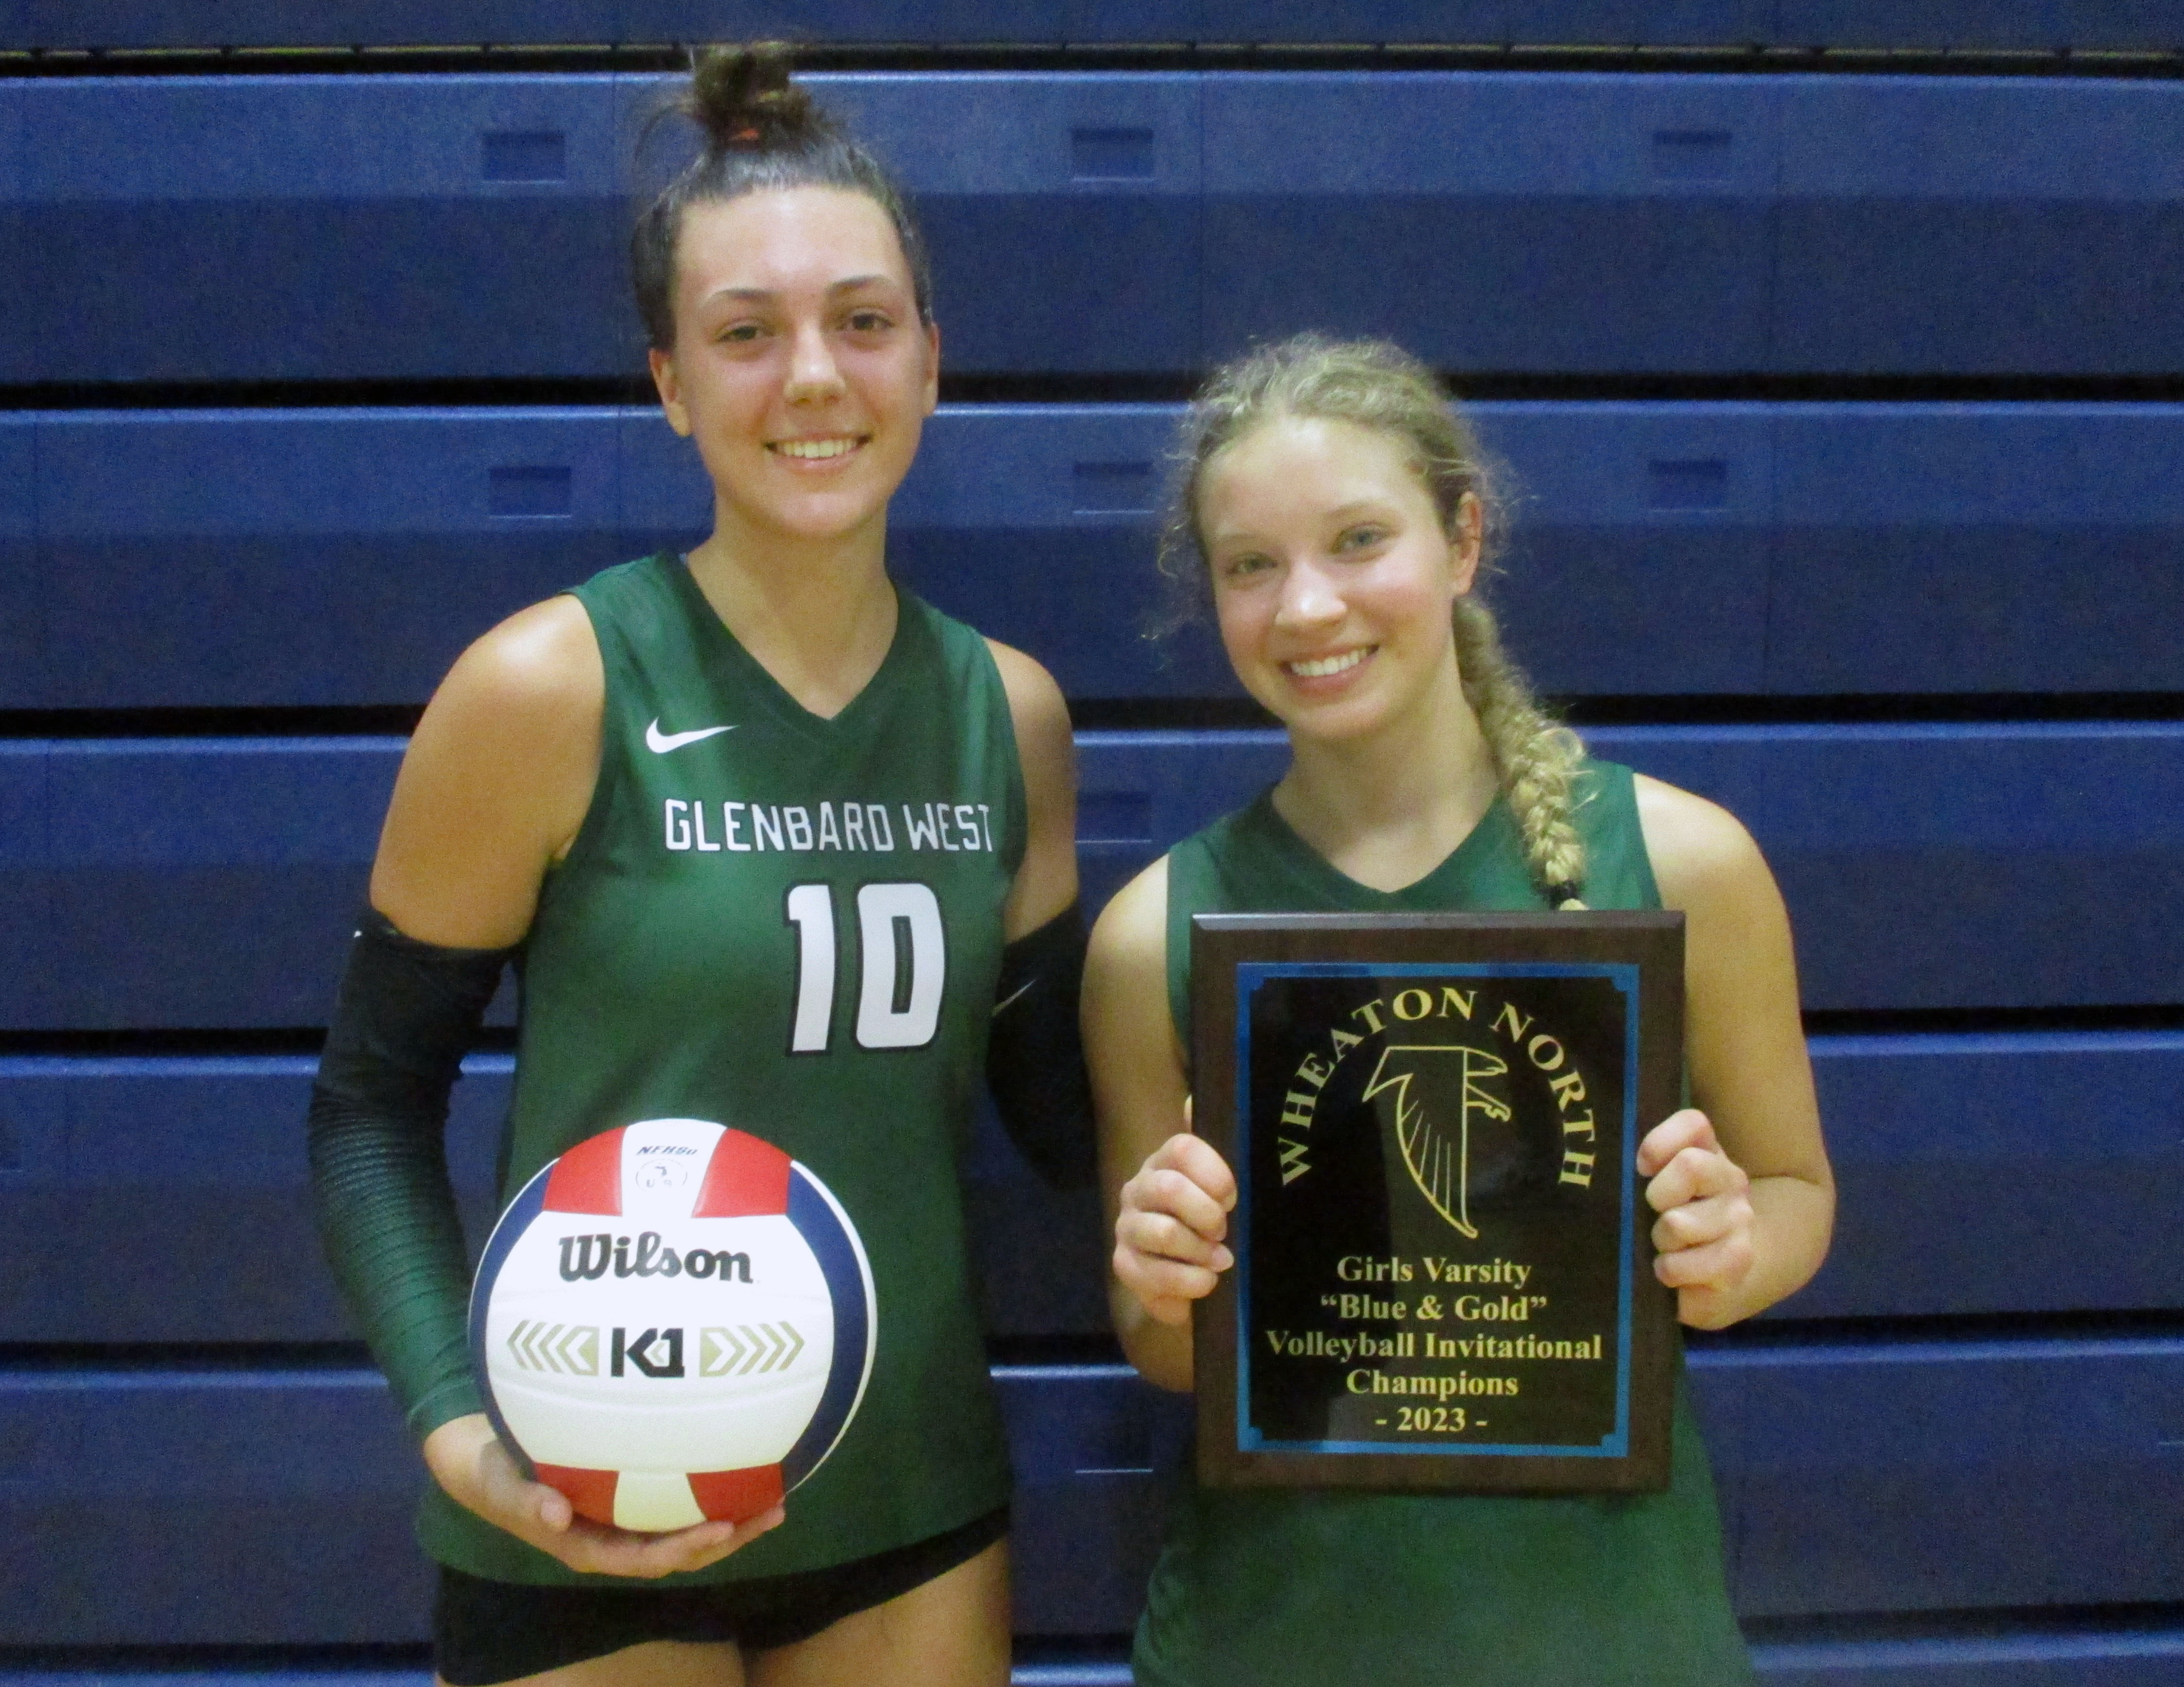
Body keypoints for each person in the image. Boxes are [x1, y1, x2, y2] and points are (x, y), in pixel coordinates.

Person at [307, 43, 1087, 1687]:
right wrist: (458, 1432)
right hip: (582, 1501)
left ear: (931, 362)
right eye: (747, 334)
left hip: (906, 1502)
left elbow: (1064, 1123)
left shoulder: (1009, 716)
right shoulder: (548, 687)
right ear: (669, 383)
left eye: (863, 323)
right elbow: (369, 1110)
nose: (814, 375)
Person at [1086, 336, 1834, 1687]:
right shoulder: (1152, 935)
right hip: (1273, 1645)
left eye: (1360, 538)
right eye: (1252, 564)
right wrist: (1161, 1276)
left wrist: (1735, 1250)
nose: (1308, 606)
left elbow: (1797, 1192)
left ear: (1463, 539)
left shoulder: (1686, 864)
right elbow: (1165, 1350)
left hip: (1611, 1642)